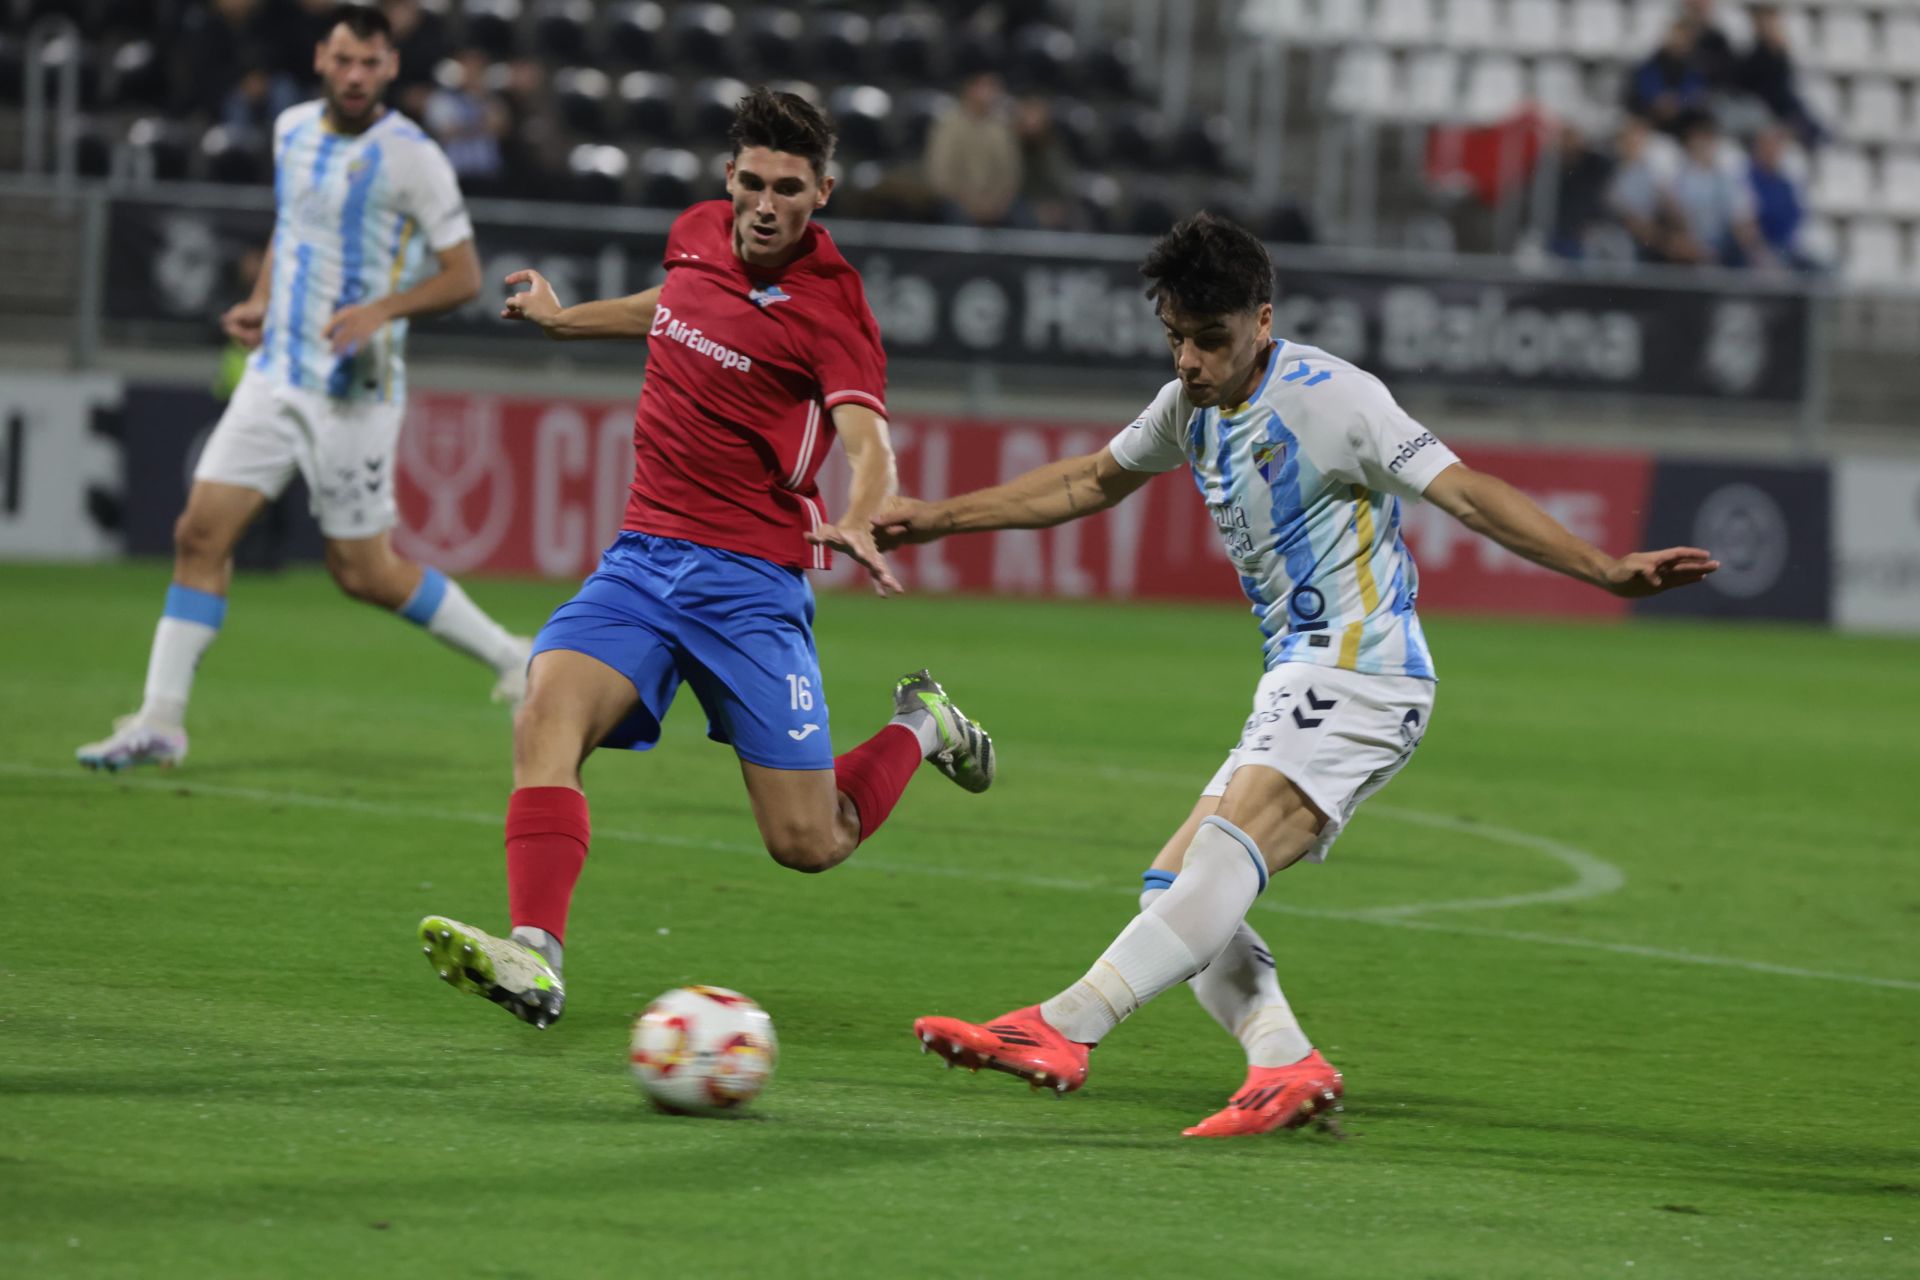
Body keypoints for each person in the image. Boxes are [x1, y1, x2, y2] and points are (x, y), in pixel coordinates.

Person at [887, 213, 1717, 1135]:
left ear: (1262, 322)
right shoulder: (1189, 408)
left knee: (1220, 858)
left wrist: (1603, 569)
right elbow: (1088, 482)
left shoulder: (1335, 400)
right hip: (1299, 673)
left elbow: (1467, 492)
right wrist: (936, 520)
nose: (1191, 361)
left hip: (1365, 669)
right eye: (1176, 340)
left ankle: (1064, 1025)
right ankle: (1285, 1060)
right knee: (1176, 888)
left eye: (1212, 341)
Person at [416, 88, 996, 1030]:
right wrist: (567, 324)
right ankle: (535, 955)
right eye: (753, 183)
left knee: (809, 841)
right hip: (642, 560)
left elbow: (867, 440)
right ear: (729, 178)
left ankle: (923, 726)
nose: (767, 205)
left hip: (750, 584)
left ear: (824, 194)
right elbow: (674, 306)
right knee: (545, 717)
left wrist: (862, 512)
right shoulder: (694, 232)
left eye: (790, 190)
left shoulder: (833, 309)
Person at [77, 5, 528, 773]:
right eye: (344, 60)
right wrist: (260, 298)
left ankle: (511, 656)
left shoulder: (412, 157)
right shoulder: (290, 129)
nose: (355, 75)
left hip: (354, 387)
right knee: (199, 533)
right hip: (275, 373)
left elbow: (465, 276)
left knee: (363, 572)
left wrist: (380, 310)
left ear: (390, 67)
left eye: (371, 63)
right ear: (322, 57)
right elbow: (296, 226)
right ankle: (161, 719)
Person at [1666, 111, 1769, 267]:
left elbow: (1742, 216)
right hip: (1694, 240)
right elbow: (1676, 214)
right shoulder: (1680, 176)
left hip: (1726, 242)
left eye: (1707, 140)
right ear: (1689, 144)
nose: (1703, 145)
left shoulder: (1728, 174)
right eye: (1698, 140)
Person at [924, 70, 1022, 228]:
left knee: (1022, 216)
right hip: (957, 203)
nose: (991, 93)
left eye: (994, 87)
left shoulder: (1000, 128)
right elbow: (941, 176)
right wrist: (971, 204)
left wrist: (996, 204)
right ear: (969, 88)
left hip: (997, 207)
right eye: (985, 86)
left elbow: (1011, 174)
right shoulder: (949, 124)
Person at [1626, 20, 1709, 133]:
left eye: (1684, 38)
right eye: (1676, 36)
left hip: (1684, 118)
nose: (1679, 41)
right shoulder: (1652, 61)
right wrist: (1658, 99)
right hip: (1653, 113)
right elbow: (1644, 83)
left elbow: (1697, 89)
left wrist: (1679, 101)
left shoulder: (1697, 65)